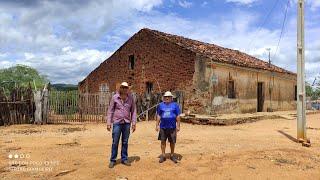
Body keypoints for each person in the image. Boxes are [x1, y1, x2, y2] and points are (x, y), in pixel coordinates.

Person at [107, 82, 137, 168]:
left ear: (128, 89)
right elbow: (110, 110)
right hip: (117, 122)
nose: (124, 89)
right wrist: (109, 123)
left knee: (125, 142)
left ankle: (124, 159)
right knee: (115, 141)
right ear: (120, 88)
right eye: (123, 87)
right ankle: (113, 160)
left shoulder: (131, 98)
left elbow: (133, 111)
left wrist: (134, 123)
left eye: (126, 88)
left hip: (127, 123)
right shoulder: (115, 97)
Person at [156, 91, 181, 163]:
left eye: (168, 97)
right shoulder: (160, 105)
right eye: (165, 97)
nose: (167, 98)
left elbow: (178, 116)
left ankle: (172, 155)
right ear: (163, 98)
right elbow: (159, 115)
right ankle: (163, 155)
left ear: (171, 98)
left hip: (172, 127)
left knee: (172, 142)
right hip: (163, 127)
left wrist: (178, 125)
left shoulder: (175, 105)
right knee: (163, 141)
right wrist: (157, 125)